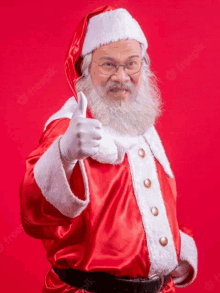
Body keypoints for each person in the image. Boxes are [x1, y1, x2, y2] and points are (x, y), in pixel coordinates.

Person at [20, 5, 198, 293]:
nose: (121, 76)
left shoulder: (140, 127)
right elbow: (35, 216)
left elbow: (139, 208)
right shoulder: (70, 129)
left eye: (131, 63)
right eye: (108, 64)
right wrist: (63, 154)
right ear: (85, 69)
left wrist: (175, 252)